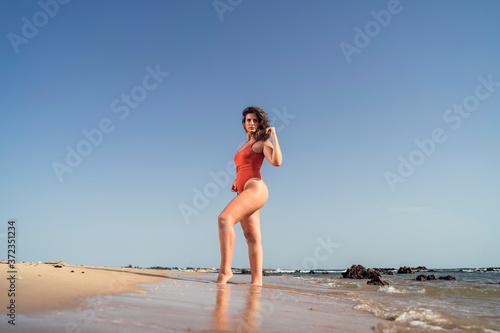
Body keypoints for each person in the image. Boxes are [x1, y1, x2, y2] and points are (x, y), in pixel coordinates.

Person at [217, 106, 282, 286]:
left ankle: (225, 271)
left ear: (259, 123)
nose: (251, 123)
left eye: (255, 120)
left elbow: (277, 162)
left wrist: (274, 136)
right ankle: (257, 284)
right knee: (252, 237)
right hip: (243, 189)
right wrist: (236, 181)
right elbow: (243, 167)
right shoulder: (245, 144)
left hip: (256, 188)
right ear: (244, 123)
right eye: (248, 120)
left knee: (224, 219)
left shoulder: (262, 143)